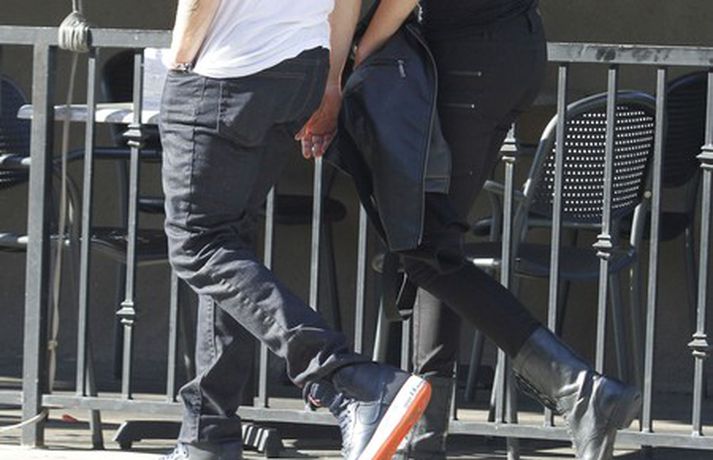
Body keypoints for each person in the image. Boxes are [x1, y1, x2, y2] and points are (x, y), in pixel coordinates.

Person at [301, 1, 642, 459]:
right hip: (507, 47)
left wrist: (359, 57)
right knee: (435, 249)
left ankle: (579, 389)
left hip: (469, 56)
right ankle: (424, 437)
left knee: (427, 250)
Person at [158, 1, 433, 459]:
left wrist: (181, 61)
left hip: (227, 67)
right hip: (300, 67)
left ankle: (348, 379)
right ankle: (207, 436)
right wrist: (331, 80)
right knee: (227, 242)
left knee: (197, 243)